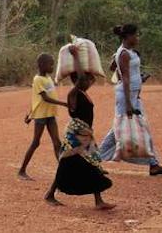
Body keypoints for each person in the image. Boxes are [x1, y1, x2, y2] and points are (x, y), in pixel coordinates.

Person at [44, 45, 115, 210]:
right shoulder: (74, 93)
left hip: (84, 133)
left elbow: (82, 78)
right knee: (72, 164)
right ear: (79, 80)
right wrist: (76, 56)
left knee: (93, 162)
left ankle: (98, 200)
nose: (90, 82)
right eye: (88, 80)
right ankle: (50, 194)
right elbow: (81, 77)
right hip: (76, 134)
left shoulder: (82, 94)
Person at [99, 24, 162, 176]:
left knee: (132, 128)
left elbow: (116, 70)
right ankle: (94, 160)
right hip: (127, 97)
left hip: (132, 96)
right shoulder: (124, 53)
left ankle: (153, 164)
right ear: (128, 37)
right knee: (118, 131)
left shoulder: (128, 52)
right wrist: (128, 104)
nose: (137, 38)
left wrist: (139, 79)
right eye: (135, 35)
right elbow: (124, 78)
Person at [18, 53, 66, 181]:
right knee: (36, 142)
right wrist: (64, 104)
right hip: (41, 116)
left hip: (50, 114)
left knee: (57, 143)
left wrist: (29, 113)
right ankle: (22, 170)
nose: (53, 66)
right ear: (42, 65)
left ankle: (64, 173)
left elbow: (36, 98)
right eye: (51, 64)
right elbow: (43, 98)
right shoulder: (38, 79)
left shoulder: (48, 78)